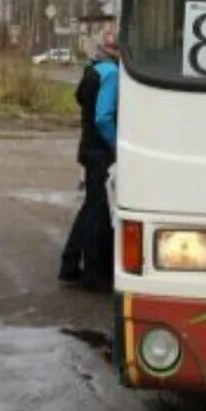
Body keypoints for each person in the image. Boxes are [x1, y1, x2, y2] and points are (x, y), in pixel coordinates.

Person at [59, 30, 119, 292]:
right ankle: (94, 275)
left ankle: (70, 266)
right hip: (101, 152)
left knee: (90, 207)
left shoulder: (92, 70)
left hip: (87, 147)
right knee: (98, 212)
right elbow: (103, 117)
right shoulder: (112, 74)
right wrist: (118, 145)